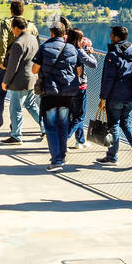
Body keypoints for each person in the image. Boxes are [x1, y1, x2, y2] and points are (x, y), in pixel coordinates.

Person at [31, 24, 80, 171]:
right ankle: (62, 157)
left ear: (51, 33)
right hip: (67, 94)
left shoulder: (45, 48)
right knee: (63, 125)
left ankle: (56, 160)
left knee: (51, 127)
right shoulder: (71, 48)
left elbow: (34, 69)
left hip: (50, 94)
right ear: (64, 33)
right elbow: (78, 71)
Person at [95, 26, 132, 165]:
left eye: (111, 34)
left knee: (113, 125)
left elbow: (108, 78)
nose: (109, 36)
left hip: (115, 96)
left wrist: (103, 98)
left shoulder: (113, 53)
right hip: (131, 95)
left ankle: (112, 156)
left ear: (116, 37)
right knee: (126, 122)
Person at [0, 0, 38, 134]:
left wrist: (0, 61)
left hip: (7, 64)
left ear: (11, 10)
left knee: (0, 94)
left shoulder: (7, 24)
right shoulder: (32, 27)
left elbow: (3, 42)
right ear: (23, 11)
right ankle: (15, 127)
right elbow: (37, 46)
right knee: (17, 99)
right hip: (25, 67)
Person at [0, 16, 41, 144]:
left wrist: (5, 81)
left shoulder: (18, 43)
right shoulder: (33, 39)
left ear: (16, 28)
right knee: (31, 105)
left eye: (12, 28)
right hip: (33, 78)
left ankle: (16, 135)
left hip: (20, 81)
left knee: (15, 108)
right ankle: (45, 127)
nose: (12, 31)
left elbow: (12, 66)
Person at [64, 28, 97, 150]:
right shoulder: (79, 51)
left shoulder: (65, 48)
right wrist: (90, 53)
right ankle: (64, 139)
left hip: (67, 85)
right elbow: (94, 64)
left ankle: (80, 140)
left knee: (72, 114)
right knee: (80, 116)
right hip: (79, 86)